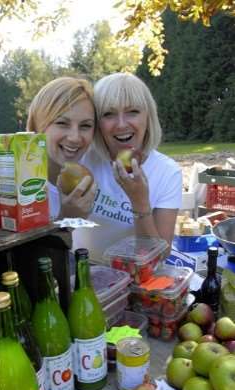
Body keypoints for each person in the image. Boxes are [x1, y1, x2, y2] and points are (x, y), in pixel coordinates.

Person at [73, 72, 182, 263]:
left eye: (132, 111)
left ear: (148, 117)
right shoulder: (83, 161)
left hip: (137, 279)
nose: (121, 124)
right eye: (108, 114)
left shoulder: (167, 172)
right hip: (84, 274)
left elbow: (161, 255)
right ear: (98, 124)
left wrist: (139, 201)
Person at [26, 77, 97, 220]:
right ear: (38, 126)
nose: (74, 137)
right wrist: (68, 219)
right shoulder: (22, 184)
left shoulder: (97, 169)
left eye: (85, 126)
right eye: (62, 123)